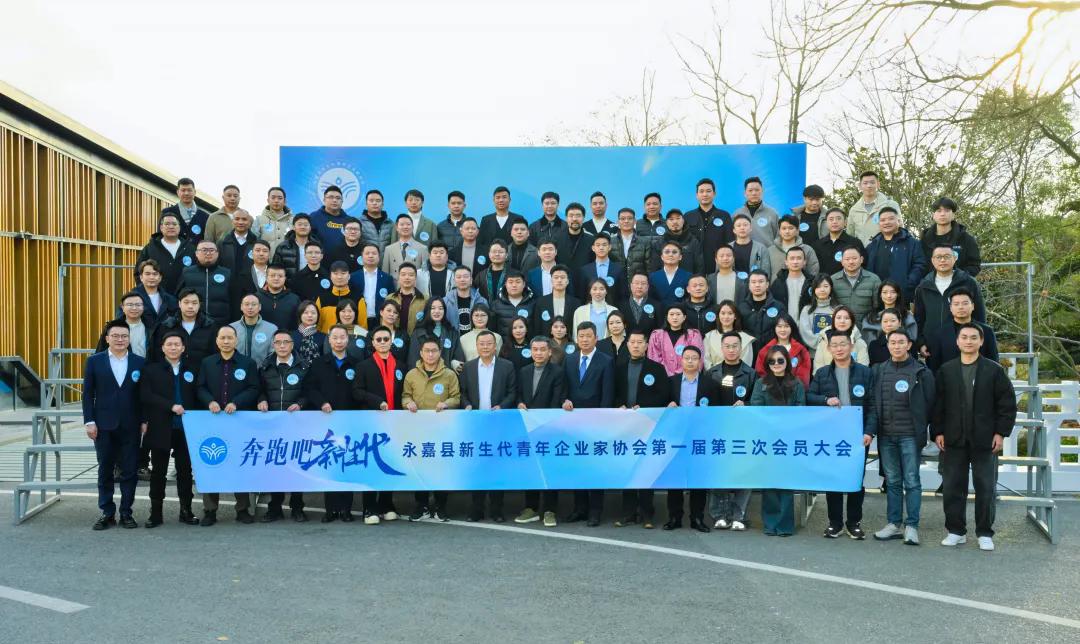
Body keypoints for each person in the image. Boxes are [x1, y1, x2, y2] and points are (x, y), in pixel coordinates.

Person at [933, 323, 1017, 551]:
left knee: (986, 487)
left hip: (985, 439)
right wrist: (938, 431)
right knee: (952, 487)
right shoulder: (947, 370)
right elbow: (938, 404)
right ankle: (956, 531)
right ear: (957, 342)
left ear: (981, 341)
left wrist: (1001, 433)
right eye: (964, 337)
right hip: (953, 438)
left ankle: (984, 532)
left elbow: (1007, 404)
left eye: (973, 337)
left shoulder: (993, 370)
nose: (968, 341)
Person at [808, 330, 877, 539]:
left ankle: (854, 522)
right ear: (829, 349)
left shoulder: (865, 373)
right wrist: (825, 400)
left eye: (843, 344)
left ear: (851, 346)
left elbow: (873, 405)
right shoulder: (822, 373)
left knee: (856, 479)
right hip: (832, 434)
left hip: (858, 435)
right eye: (834, 345)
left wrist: (869, 431)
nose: (839, 348)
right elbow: (809, 397)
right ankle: (835, 522)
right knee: (833, 478)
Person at [871, 330, 935, 546]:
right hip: (886, 434)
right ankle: (893, 524)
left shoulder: (921, 372)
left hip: (910, 435)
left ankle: (912, 526)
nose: (896, 346)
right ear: (888, 345)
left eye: (901, 342)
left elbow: (931, 403)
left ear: (909, 345)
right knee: (892, 481)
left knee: (912, 480)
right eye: (892, 342)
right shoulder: (879, 370)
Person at [83, 320, 146, 530]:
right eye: (116, 336)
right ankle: (107, 512)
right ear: (107, 338)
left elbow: (143, 395)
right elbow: (87, 394)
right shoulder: (94, 361)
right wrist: (89, 421)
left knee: (130, 471)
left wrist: (144, 420)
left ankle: (126, 512)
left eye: (124, 336)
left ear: (129, 339)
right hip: (103, 425)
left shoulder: (139, 362)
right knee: (105, 470)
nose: (120, 339)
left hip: (131, 424)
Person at [196, 325, 259, 526]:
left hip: (238, 421)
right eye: (222, 338)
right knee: (212, 464)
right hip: (212, 422)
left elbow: (254, 388)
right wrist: (209, 401)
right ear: (217, 340)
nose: (226, 341)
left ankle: (242, 509)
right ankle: (210, 510)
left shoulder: (248, 363)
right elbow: (200, 387)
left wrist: (236, 402)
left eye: (229, 338)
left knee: (240, 464)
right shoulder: (207, 363)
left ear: (236, 340)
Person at [140, 332, 200, 528]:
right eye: (169, 344)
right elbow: (146, 396)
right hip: (160, 427)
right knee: (159, 472)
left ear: (183, 348)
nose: (173, 348)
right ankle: (155, 513)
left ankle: (186, 510)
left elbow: (199, 394)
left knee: (185, 472)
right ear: (163, 348)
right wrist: (170, 406)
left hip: (186, 429)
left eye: (177, 344)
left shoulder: (193, 369)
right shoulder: (151, 370)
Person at [303, 324, 360, 522]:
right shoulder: (319, 363)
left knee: (347, 464)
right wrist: (322, 403)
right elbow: (309, 388)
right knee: (329, 464)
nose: (339, 341)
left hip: (349, 422)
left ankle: (346, 509)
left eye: (342, 337)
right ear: (329, 340)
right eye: (334, 337)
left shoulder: (356, 363)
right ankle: (330, 510)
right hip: (326, 422)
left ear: (348, 340)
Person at [461, 330, 518, 522]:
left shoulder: (507, 366)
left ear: (496, 346)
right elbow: (462, 393)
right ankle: (476, 509)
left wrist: (502, 406)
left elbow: (512, 392)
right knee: (477, 467)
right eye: (482, 344)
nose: (485, 347)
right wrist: (467, 405)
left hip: (498, 423)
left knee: (497, 467)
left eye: (489, 344)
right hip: (476, 424)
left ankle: (496, 510)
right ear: (476, 346)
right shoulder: (468, 367)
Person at [562, 322, 615, 526]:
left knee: (595, 467)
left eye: (588, 336)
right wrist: (564, 400)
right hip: (573, 421)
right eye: (581, 336)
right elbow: (564, 387)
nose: (584, 339)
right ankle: (580, 508)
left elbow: (607, 393)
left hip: (596, 422)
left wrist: (602, 420)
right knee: (578, 465)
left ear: (596, 338)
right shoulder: (569, 359)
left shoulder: (606, 361)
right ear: (577, 339)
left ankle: (595, 511)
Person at [403, 337, 462, 522]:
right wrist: (408, 402)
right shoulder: (411, 374)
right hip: (418, 430)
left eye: (434, 350)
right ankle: (421, 506)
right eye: (427, 351)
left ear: (440, 352)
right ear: (421, 353)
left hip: (441, 429)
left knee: (441, 468)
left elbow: (456, 398)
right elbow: (405, 396)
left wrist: (446, 403)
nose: (430, 354)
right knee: (419, 468)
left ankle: (440, 507)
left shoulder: (449, 374)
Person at [750, 345, 806, 536]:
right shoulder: (761, 383)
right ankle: (770, 523)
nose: (776, 364)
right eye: (772, 361)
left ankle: (785, 525)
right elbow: (756, 408)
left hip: (788, 439)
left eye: (780, 360)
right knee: (769, 482)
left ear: (787, 362)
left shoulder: (796, 383)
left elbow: (800, 409)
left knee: (786, 482)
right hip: (767, 439)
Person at [353, 325, 406, 523]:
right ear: (373, 343)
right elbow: (357, 392)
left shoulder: (401, 366)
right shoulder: (364, 366)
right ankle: (369, 508)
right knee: (372, 465)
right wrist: (378, 402)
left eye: (386, 339)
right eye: (379, 339)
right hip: (372, 422)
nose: (383, 342)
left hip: (395, 422)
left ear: (391, 341)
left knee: (390, 463)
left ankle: (386, 504)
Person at [255, 329, 309, 522]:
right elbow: (259, 390)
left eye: (286, 342)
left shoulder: (304, 366)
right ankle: (275, 507)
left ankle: (297, 507)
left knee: (297, 467)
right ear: (273, 345)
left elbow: (309, 392)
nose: (282, 346)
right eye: (278, 342)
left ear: (292, 345)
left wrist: (300, 404)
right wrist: (261, 399)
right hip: (273, 425)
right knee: (275, 468)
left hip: (296, 424)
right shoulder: (265, 366)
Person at [705, 331, 757, 530]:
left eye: (735, 346)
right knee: (719, 471)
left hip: (744, 431)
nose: (731, 349)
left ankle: (738, 515)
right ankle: (719, 514)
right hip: (719, 430)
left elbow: (758, 401)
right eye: (727, 346)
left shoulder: (751, 374)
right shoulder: (712, 373)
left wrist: (747, 404)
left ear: (741, 348)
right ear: (721, 348)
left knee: (744, 471)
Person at [515, 335, 568, 527]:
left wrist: (544, 423)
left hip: (548, 428)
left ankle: (549, 510)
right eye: (535, 349)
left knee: (549, 469)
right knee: (530, 468)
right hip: (527, 428)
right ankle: (531, 508)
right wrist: (519, 403)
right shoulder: (524, 371)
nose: (538, 353)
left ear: (550, 352)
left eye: (542, 349)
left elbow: (557, 399)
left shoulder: (558, 372)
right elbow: (518, 394)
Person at [664, 346, 717, 532]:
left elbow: (718, 412)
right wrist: (668, 405)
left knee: (698, 479)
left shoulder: (710, 384)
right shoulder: (671, 382)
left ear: (700, 361)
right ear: (681, 360)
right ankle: (674, 517)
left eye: (694, 358)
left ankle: (697, 518)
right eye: (687, 357)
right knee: (675, 478)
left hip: (699, 437)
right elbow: (661, 406)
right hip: (676, 436)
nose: (690, 361)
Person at [913, 243, 986, 343]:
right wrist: (921, 343)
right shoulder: (923, 286)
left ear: (955, 258)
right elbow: (919, 318)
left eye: (947, 256)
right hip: (932, 343)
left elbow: (980, 314)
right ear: (932, 260)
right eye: (938, 257)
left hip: (964, 342)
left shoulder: (968, 282)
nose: (942, 260)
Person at [923, 288, 1000, 372]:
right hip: (948, 378)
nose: (961, 307)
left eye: (965, 303)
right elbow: (934, 365)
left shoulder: (986, 331)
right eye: (956, 304)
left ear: (973, 306)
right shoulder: (938, 334)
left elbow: (994, 362)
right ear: (950, 308)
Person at [865, 207, 926, 301]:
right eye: (883, 220)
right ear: (879, 224)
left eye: (891, 219)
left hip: (903, 295)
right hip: (878, 296)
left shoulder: (912, 243)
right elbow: (867, 269)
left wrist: (909, 282)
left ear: (898, 221)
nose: (886, 222)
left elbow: (920, 265)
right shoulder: (872, 245)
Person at [149, 288, 218, 365]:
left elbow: (214, 353)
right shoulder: (167, 326)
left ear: (199, 305)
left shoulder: (209, 326)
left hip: (201, 369)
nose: (190, 306)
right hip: (172, 370)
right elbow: (158, 352)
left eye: (194, 303)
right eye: (186, 302)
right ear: (179, 304)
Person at [137, 213, 197, 294]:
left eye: (174, 224)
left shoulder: (190, 248)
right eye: (167, 224)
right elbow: (138, 272)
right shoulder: (150, 248)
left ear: (179, 227)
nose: (171, 227)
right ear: (161, 228)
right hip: (158, 295)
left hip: (185, 297)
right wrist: (147, 293)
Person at [920, 197, 981, 277]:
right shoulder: (924, 239)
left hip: (959, 283)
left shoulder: (966, 239)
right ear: (933, 215)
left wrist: (957, 277)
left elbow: (974, 265)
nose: (942, 214)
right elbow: (920, 264)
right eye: (939, 211)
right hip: (930, 283)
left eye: (947, 210)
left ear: (953, 215)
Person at [177, 239, 232, 324]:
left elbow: (233, 299)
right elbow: (178, 296)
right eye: (204, 250)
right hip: (194, 322)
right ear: (196, 253)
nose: (208, 253)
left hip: (220, 322)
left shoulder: (227, 273)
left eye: (211, 250)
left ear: (217, 254)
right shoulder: (187, 272)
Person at [688, 178, 735, 274]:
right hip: (694, 268)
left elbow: (730, 243)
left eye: (708, 191)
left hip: (718, 268)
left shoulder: (724, 216)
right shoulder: (688, 216)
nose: (705, 194)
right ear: (697, 195)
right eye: (701, 191)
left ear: (714, 194)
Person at [753, 312, 812, 387]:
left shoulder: (801, 350)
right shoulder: (765, 350)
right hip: (770, 390)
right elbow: (761, 374)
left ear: (792, 328)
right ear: (774, 328)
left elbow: (803, 377)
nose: (783, 330)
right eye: (779, 326)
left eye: (786, 326)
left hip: (794, 390)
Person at [408, 298, 466, 373]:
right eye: (433, 308)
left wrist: (454, 363)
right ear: (428, 310)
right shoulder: (418, 333)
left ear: (444, 311)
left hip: (446, 377)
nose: (437, 311)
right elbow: (413, 360)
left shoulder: (452, 333)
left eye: (440, 308)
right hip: (424, 377)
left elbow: (459, 358)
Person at [647, 304, 705, 376]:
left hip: (687, 377)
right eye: (671, 314)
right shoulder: (657, 335)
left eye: (678, 314)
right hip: (662, 376)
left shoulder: (693, 335)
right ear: (667, 317)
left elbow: (697, 357)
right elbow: (653, 358)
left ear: (684, 317)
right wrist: (667, 374)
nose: (675, 317)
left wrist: (681, 375)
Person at [129, 261, 180, 341]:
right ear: (141, 277)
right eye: (147, 274)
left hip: (163, 341)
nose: (151, 277)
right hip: (139, 341)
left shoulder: (170, 299)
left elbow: (177, 318)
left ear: (160, 278)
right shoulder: (130, 298)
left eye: (155, 274)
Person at [831, 246, 881, 325]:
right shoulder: (833, 280)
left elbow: (878, 307)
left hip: (866, 327)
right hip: (841, 327)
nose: (851, 262)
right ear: (842, 261)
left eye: (854, 258)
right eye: (847, 259)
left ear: (861, 259)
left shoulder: (874, 279)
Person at [847, 171, 900, 245]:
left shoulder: (891, 204)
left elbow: (900, 230)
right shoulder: (854, 210)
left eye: (872, 182)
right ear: (860, 186)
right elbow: (850, 236)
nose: (869, 186)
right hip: (863, 250)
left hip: (887, 249)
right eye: (865, 183)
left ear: (878, 184)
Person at [811, 306, 870, 372]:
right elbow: (818, 370)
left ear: (852, 322)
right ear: (833, 320)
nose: (842, 321)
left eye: (846, 318)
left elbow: (863, 371)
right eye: (838, 318)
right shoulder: (823, 342)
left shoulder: (860, 343)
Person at [737, 270, 783, 354]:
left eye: (761, 281)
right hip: (748, 352)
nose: (757, 285)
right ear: (749, 285)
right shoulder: (742, 307)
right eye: (753, 282)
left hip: (771, 352)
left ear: (767, 284)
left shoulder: (778, 307)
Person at [96, 290, 152, 358]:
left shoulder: (153, 327)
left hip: (147, 364)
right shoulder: (111, 327)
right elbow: (100, 351)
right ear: (122, 307)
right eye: (130, 305)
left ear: (143, 307)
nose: (134, 308)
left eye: (138, 305)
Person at [812, 207, 865, 277]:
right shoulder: (818, 245)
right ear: (826, 223)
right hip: (824, 283)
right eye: (831, 219)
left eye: (838, 218)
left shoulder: (855, 243)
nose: (834, 222)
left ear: (845, 222)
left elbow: (863, 266)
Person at [861, 280, 918, 344]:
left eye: (893, 292)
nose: (889, 296)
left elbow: (911, 338)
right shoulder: (871, 316)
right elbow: (869, 340)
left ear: (898, 294)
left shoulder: (906, 315)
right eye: (884, 292)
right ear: (880, 295)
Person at [648, 208, 703, 274]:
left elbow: (699, 267)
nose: (675, 222)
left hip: (688, 280)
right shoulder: (659, 243)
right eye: (671, 219)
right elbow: (654, 268)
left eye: (678, 218)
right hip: (665, 280)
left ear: (683, 221)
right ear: (666, 223)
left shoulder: (693, 242)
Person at [351, 243, 395, 323]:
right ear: (362, 257)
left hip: (380, 320)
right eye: (367, 253)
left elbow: (392, 300)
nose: (370, 256)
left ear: (379, 257)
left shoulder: (387, 278)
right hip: (358, 319)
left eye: (374, 253)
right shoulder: (353, 277)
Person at [703, 301, 756, 368]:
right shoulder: (709, 337)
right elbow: (706, 361)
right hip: (714, 373)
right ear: (718, 315)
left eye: (730, 313)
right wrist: (715, 373)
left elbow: (747, 364)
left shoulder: (746, 338)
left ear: (735, 316)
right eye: (723, 313)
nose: (726, 317)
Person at [765, 216, 820, 281]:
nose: (787, 231)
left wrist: (808, 285)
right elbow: (765, 273)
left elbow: (813, 271)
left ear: (797, 230)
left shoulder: (807, 250)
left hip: (801, 286)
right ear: (779, 231)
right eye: (784, 228)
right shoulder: (770, 251)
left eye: (791, 228)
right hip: (775, 286)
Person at [315, 261, 363, 334]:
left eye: (343, 273)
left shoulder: (358, 298)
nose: (339, 277)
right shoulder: (322, 298)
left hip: (350, 339)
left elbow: (362, 328)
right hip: (326, 339)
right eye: (335, 273)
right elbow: (317, 326)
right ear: (330, 276)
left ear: (349, 276)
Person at [530, 265, 580, 335]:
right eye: (556, 277)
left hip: (568, 340)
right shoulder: (541, 302)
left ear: (567, 281)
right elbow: (537, 326)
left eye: (562, 277)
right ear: (551, 281)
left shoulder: (575, 303)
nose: (559, 280)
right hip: (546, 340)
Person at [229, 293, 278, 364]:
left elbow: (273, 353)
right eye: (246, 304)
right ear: (241, 307)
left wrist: (264, 367)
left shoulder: (271, 329)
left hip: (262, 369)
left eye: (254, 304)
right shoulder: (231, 328)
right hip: (237, 369)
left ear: (260, 307)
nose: (250, 307)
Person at [769, 247, 814, 321]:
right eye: (792, 258)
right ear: (786, 262)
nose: (795, 262)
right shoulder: (778, 283)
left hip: (806, 323)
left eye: (799, 258)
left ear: (804, 262)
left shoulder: (812, 282)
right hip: (784, 324)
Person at [732, 176, 780, 246]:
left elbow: (779, 237)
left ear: (762, 191)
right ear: (745, 193)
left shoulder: (772, 213)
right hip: (742, 252)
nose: (754, 193)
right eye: (750, 190)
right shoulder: (736, 214)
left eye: (757, 190)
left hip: (767, 252)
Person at [578, 233, 626, 303]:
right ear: (593, 248)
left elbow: (623, 294)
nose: (601, 248)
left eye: (604, 245)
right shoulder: (585, 271)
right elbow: (582, 295)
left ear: (609, 247)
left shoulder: (619, 269)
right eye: (598, 245)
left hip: (613, 307)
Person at [162, 177, 211, 241]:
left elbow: (208, 240)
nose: (186, 193)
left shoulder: (205, 216)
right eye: (183, 190)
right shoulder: (167, 212)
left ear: (194, 192)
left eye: (189, 190)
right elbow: (160, 237)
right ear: (178, 192)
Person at [489, 269, 536, 337]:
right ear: (505, 284)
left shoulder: (533, 304)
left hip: (527, 343)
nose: (514, 285)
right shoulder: (496, 305)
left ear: (524, 284)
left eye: (518, 282)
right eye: (510, 282)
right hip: (503, 343)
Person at [383, 214, 430, 279]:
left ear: (412, 227)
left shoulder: (423, 248)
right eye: (402, 224)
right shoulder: (389, 249)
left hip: (415, 284)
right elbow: (385, 274)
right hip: (394, 285)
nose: (405, 227)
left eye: (408, 224)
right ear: (397, 228)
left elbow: (425, 274)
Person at [444, 266, 488, 335]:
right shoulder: (445, 301)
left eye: (466, 276)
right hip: (453, 339)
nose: (462, 279)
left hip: (475, 339)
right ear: (454, 281)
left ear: (471, 280)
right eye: (458, 277)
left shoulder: (482, 301)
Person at [256, 264, 300, 332]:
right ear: (266, 278)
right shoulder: (256, 298)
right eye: (272, 275)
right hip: (261, 337)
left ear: (285, 278)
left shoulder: (294, 299)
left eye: (280, 276)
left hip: (287, 337)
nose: (276, 278)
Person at [272, 213, 317, 279]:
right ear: (293, 227)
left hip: (312, 283)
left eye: (306, 225)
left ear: (310, 228)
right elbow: (275, 269)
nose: (303, 227)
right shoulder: (283, 247)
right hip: (289, 284)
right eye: (299, 224)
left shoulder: (317, 247)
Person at [554, 203, 595, 274]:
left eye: (578, 216)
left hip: (585, 279)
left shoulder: (591, 240)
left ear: (583, 218)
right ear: (566, 218)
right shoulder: (556, 239)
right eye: (571, 215)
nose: (574, 219)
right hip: (562, 279)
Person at [307, 185, 349, 255]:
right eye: (331, 197)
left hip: (344, 260)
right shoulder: (313, 217)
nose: (334, 200)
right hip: (319, 260)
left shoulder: (348, 220)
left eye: (338, 198)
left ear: (342, 201)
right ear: (324, 200)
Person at [610, 207, 651, 280]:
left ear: (635, 221)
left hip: (638, 284)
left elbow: (649, 267)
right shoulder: (610, 242)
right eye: (623, 219)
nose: (626, 221)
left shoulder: (645, 242)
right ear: (618, 222)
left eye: (629, 218)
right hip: (616, 283)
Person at [648, 241, 692, 306]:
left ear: (680, 257)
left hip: (680, 311)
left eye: (674, 252)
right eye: (667, 252)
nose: (671, 255)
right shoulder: (653, 277)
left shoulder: (688, 276)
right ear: (662, 257)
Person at [387, 263, 427, 335]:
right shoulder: (390, 298)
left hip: (416, 338)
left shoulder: (425, 299)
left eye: (411, 275)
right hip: (394, 338)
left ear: (415, 278)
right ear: (398, 277)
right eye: (403, 274)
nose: (407, 278)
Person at [799, 274, 837, 349]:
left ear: (831, 288)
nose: (822, 290)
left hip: (834, 351)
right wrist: (822, 344)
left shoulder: (838, 309)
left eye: (826, 286)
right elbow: (805, 333)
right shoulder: (806, 310)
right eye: (818, 287)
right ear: (814, 289)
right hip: (813, 353)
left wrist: (832, 344)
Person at [728, 213, 772, 278]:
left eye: (745, 225)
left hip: (755, 283)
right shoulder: (727, 248)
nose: (742, 228)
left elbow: (766, 271)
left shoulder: (761, 248)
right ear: (734, 230)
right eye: (738, 225)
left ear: (751, 228)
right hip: (733, 283)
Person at [619, 272, 662, 337]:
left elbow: (660, 329)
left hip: (649, 342)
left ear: (648, 287)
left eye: (643, 283)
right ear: (631, 286)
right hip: (627, 342)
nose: (639, 286)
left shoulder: (657, 305)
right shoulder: (621, 306)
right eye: (636, 283)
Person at [233, 239, 273, 306]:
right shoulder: (242, 275)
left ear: (269, 255)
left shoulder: (275, 275)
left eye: (265, 251)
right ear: (252, 253)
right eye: (257, 250)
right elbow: (237, 301)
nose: (261, 254)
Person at [259, 186, 293, 255]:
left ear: (285, 201)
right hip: (266, 259)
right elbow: (253, 242)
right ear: (268, 200)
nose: (276, 200)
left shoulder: (293, 220)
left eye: (280, 198)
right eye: (273, 198)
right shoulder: (259, 219)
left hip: (287, 259)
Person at [291, 301, 326, 367]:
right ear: (300, 315)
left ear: (318, 316)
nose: (310, 315)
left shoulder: (324, 337)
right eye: (306, 312)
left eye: (313, 313)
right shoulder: (291, 336)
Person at [359, 189, 392, 254]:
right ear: (366, 204)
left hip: (386, 260)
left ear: (382, 204)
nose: (374, 203)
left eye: (378, 201)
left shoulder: (390, 223)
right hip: (366, 259)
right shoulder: (359, 223)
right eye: (371, 200)